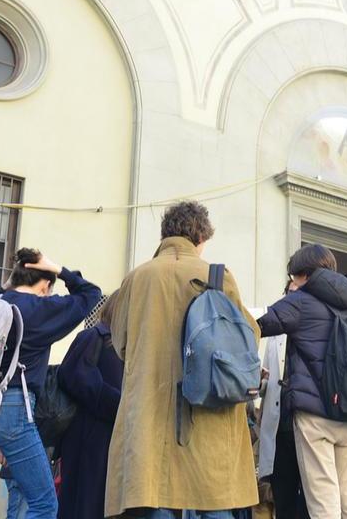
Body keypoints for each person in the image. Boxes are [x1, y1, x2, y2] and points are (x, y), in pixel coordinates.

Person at [104, 201, 260, 518]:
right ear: (201, 238)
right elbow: (249, 339)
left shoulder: (136, 278)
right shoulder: (218, 276)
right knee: (212, 501)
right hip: (209, 413)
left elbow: (120, 344)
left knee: (154, 497)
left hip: (149, 416)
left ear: (165, 235)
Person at [0, 248, 103, 519]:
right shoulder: (40, 309)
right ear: (45, 286)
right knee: (44, 503)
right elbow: (91, 294)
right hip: (11, 409)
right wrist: (56, 268)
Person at [258, 244, 347, 519]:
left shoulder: (301, 300)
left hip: (316, 417)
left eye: (294, 277)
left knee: (323, 502)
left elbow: (260, 323)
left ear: (302, 275)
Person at [56, 299, 123, 519]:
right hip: (88, 439)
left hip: (112, 438)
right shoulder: (94, 337)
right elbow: (77, 378)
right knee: (84, 503)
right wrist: (121, 404)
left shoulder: (129, 344)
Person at [258, 278, 311, 519]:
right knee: (283, 498)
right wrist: (260, 380)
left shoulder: (314, 330)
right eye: (290, 293)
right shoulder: (274, 334)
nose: (294, 298)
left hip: (307, 427)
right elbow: (267, 383)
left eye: (299, 293)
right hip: (280, 429)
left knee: (311, 499)